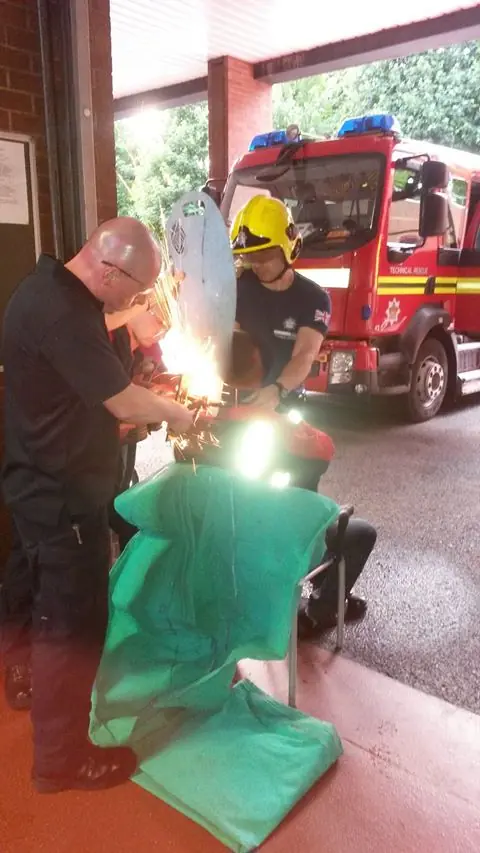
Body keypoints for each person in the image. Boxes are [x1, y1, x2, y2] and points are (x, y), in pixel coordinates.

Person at [0, 216, 193, 793]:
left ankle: (26, 679)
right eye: (135, 291)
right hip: (62, 499)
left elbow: (79, 385)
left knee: (47, 607)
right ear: (110, 271)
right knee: (73, 625)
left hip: (38, 482)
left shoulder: (48, 288)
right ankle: (60, 760)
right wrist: (178, 413)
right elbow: (123, 402)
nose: (134, 303)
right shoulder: (64, 313)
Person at [230, 196, 376, 637]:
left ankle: (321, 598)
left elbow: (304, 354)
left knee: (298, 503)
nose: (257, 264)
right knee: (239, 502)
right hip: (238, 410)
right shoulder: (236, 288)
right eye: (250, 256)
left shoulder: (313, 297)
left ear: (289, 246)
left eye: (265, 254)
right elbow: (224, 342)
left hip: (285, 410)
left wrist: (275, 391)